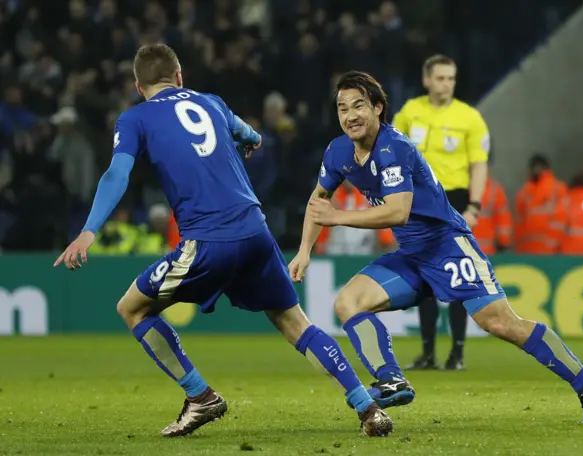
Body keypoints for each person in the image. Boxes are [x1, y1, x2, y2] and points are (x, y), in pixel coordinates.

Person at [54, 45, 392, 438]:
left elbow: (117, 174)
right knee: (293, 321)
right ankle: (367, 408)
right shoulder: (211, 102)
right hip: (256, 232)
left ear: (137, 85)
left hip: (209, 240)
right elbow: (251, 135)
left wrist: (88, 230)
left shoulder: (135, 118)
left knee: (132, 308)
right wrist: (247, 141)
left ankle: (200, 397)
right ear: (179, 77)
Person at [288, 70, 583, 424]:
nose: (350, 115)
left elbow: (397, 212)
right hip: (413, 255)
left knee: (501, 323)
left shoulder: (393, 148)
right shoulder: (338, 152)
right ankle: (391, 378)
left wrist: (339, 217)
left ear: (379, 108)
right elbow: (317, 201)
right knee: (347, 302)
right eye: (342, 108)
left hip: (448, 246)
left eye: (359, 106)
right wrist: (305, 249)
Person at [393, 55, 489, 371]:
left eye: (451, 78)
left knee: (458, 274)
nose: (446, 84)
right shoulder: (409, 112)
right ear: (427, 80)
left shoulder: (470, 117)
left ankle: (457, 353)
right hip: (420, 200)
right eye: (441, 78)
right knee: (424, 276)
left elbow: (479, 164)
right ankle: (427, 353)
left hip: (454, 199)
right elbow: (391, 152)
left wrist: (474, 206)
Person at [514, 155, 567, 254]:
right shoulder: (524, 191)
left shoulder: (558, 189)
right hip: (529, 250)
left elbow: (563, 219)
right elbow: (518, 224)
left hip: (551, 250)